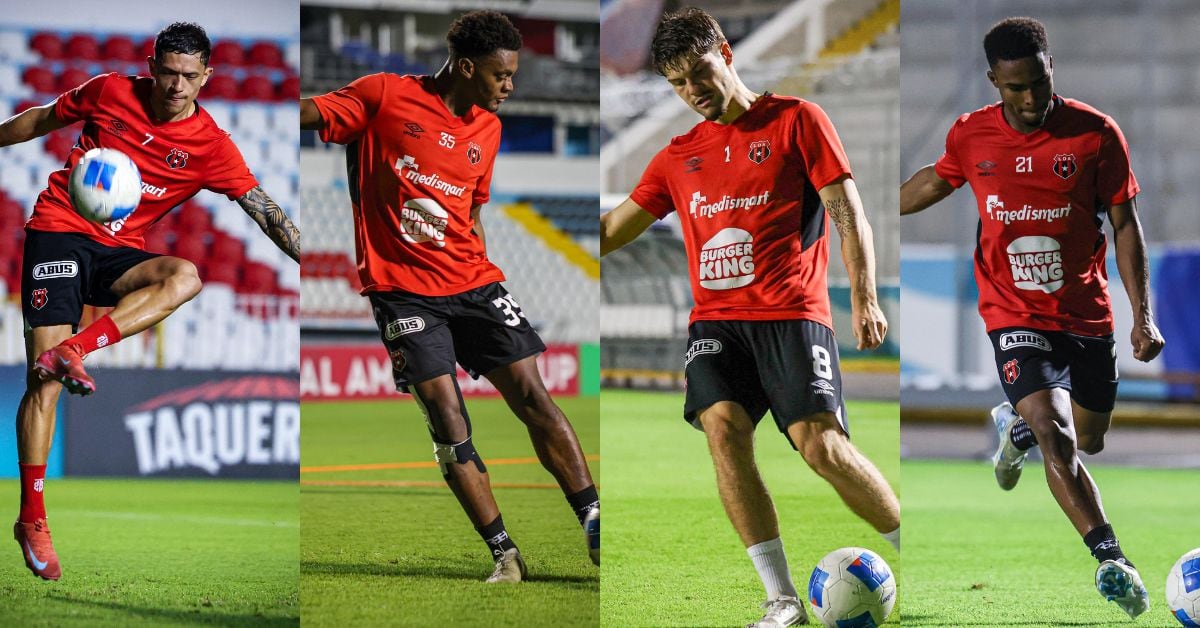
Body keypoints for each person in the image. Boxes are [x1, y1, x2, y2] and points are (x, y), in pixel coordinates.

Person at [600, 8, 900, 627]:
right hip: (717, 324)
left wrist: (864, 295)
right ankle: (782, 598)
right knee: (723, 428)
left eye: (700, 73)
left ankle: (907, 543)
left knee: (823, 450)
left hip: (792, 314)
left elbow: (847, 210)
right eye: (678, 83)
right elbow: (611, 228)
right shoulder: (676, 158)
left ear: (726, 53)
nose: (693, 92)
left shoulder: (796, 120)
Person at [299, 10, 599, 584]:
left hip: (474, 282)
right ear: (466, 67)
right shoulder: (383, 95)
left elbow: (473, 210)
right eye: (500, 74)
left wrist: (483, 278)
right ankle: (505, 554)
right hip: (403, 293)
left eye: (511, 74)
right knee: (445, 411)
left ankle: (593, 519)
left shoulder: (488, 127)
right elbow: (312, 111)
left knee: (534, 396)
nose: (509, 85)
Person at [0, 22, 301, 581]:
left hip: (120, 251)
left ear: (206, 76)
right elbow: (43, 118)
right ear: (152, 65)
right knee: (41, 383)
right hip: (61, 229)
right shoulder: (111, 90)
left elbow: (265, 211)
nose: (177, 85)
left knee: (185, 275)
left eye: (190, 76)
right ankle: (32, 519)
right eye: (168, 72)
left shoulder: (212, 146)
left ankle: (76, 350)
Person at [900, 16, 1162, 619]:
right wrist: (856, 205)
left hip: (1085, 314)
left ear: (1051, 71)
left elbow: (1125, 224)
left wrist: (1141, 316)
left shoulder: (1097, 134)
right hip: (1011, 310)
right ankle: (1111, 560)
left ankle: (1012, 429)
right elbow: (936, 182)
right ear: (994, 80)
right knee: (1057, 433)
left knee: (1089, 439)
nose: (1030, 99)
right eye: (1015, 88)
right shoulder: (971, 135)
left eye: (1039, 84)